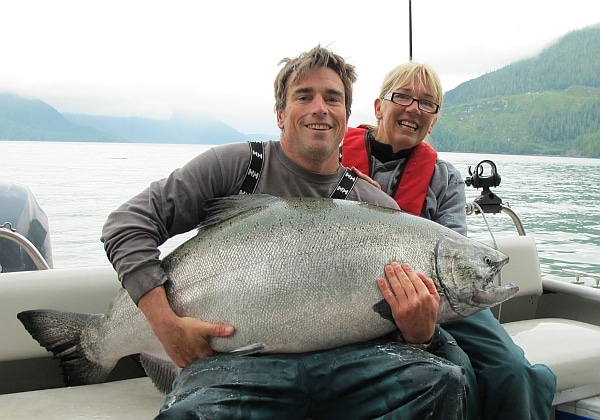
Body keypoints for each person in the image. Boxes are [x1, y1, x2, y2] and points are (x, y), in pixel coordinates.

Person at [101, 45, 468, 419]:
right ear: (280, 113)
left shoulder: (376, 207)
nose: (319, 108)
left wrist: (418, 335)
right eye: (304, 96)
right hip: (234, 366)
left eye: (332, 98)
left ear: (345, 115)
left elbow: (394, 332)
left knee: (446, 381)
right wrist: (168, 328)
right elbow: (126, 225)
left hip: (346, 368)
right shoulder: (234, 166)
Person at [341, 61, 557, 419]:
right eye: (403, 96)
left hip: (442, 294)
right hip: (356, 290)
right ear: (379, 107)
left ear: (434, 120)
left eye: (428, 103)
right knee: (457, 375)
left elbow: (456, 256)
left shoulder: (445, 179)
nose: (414, 108)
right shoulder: (334, 161)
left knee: (514, 370)